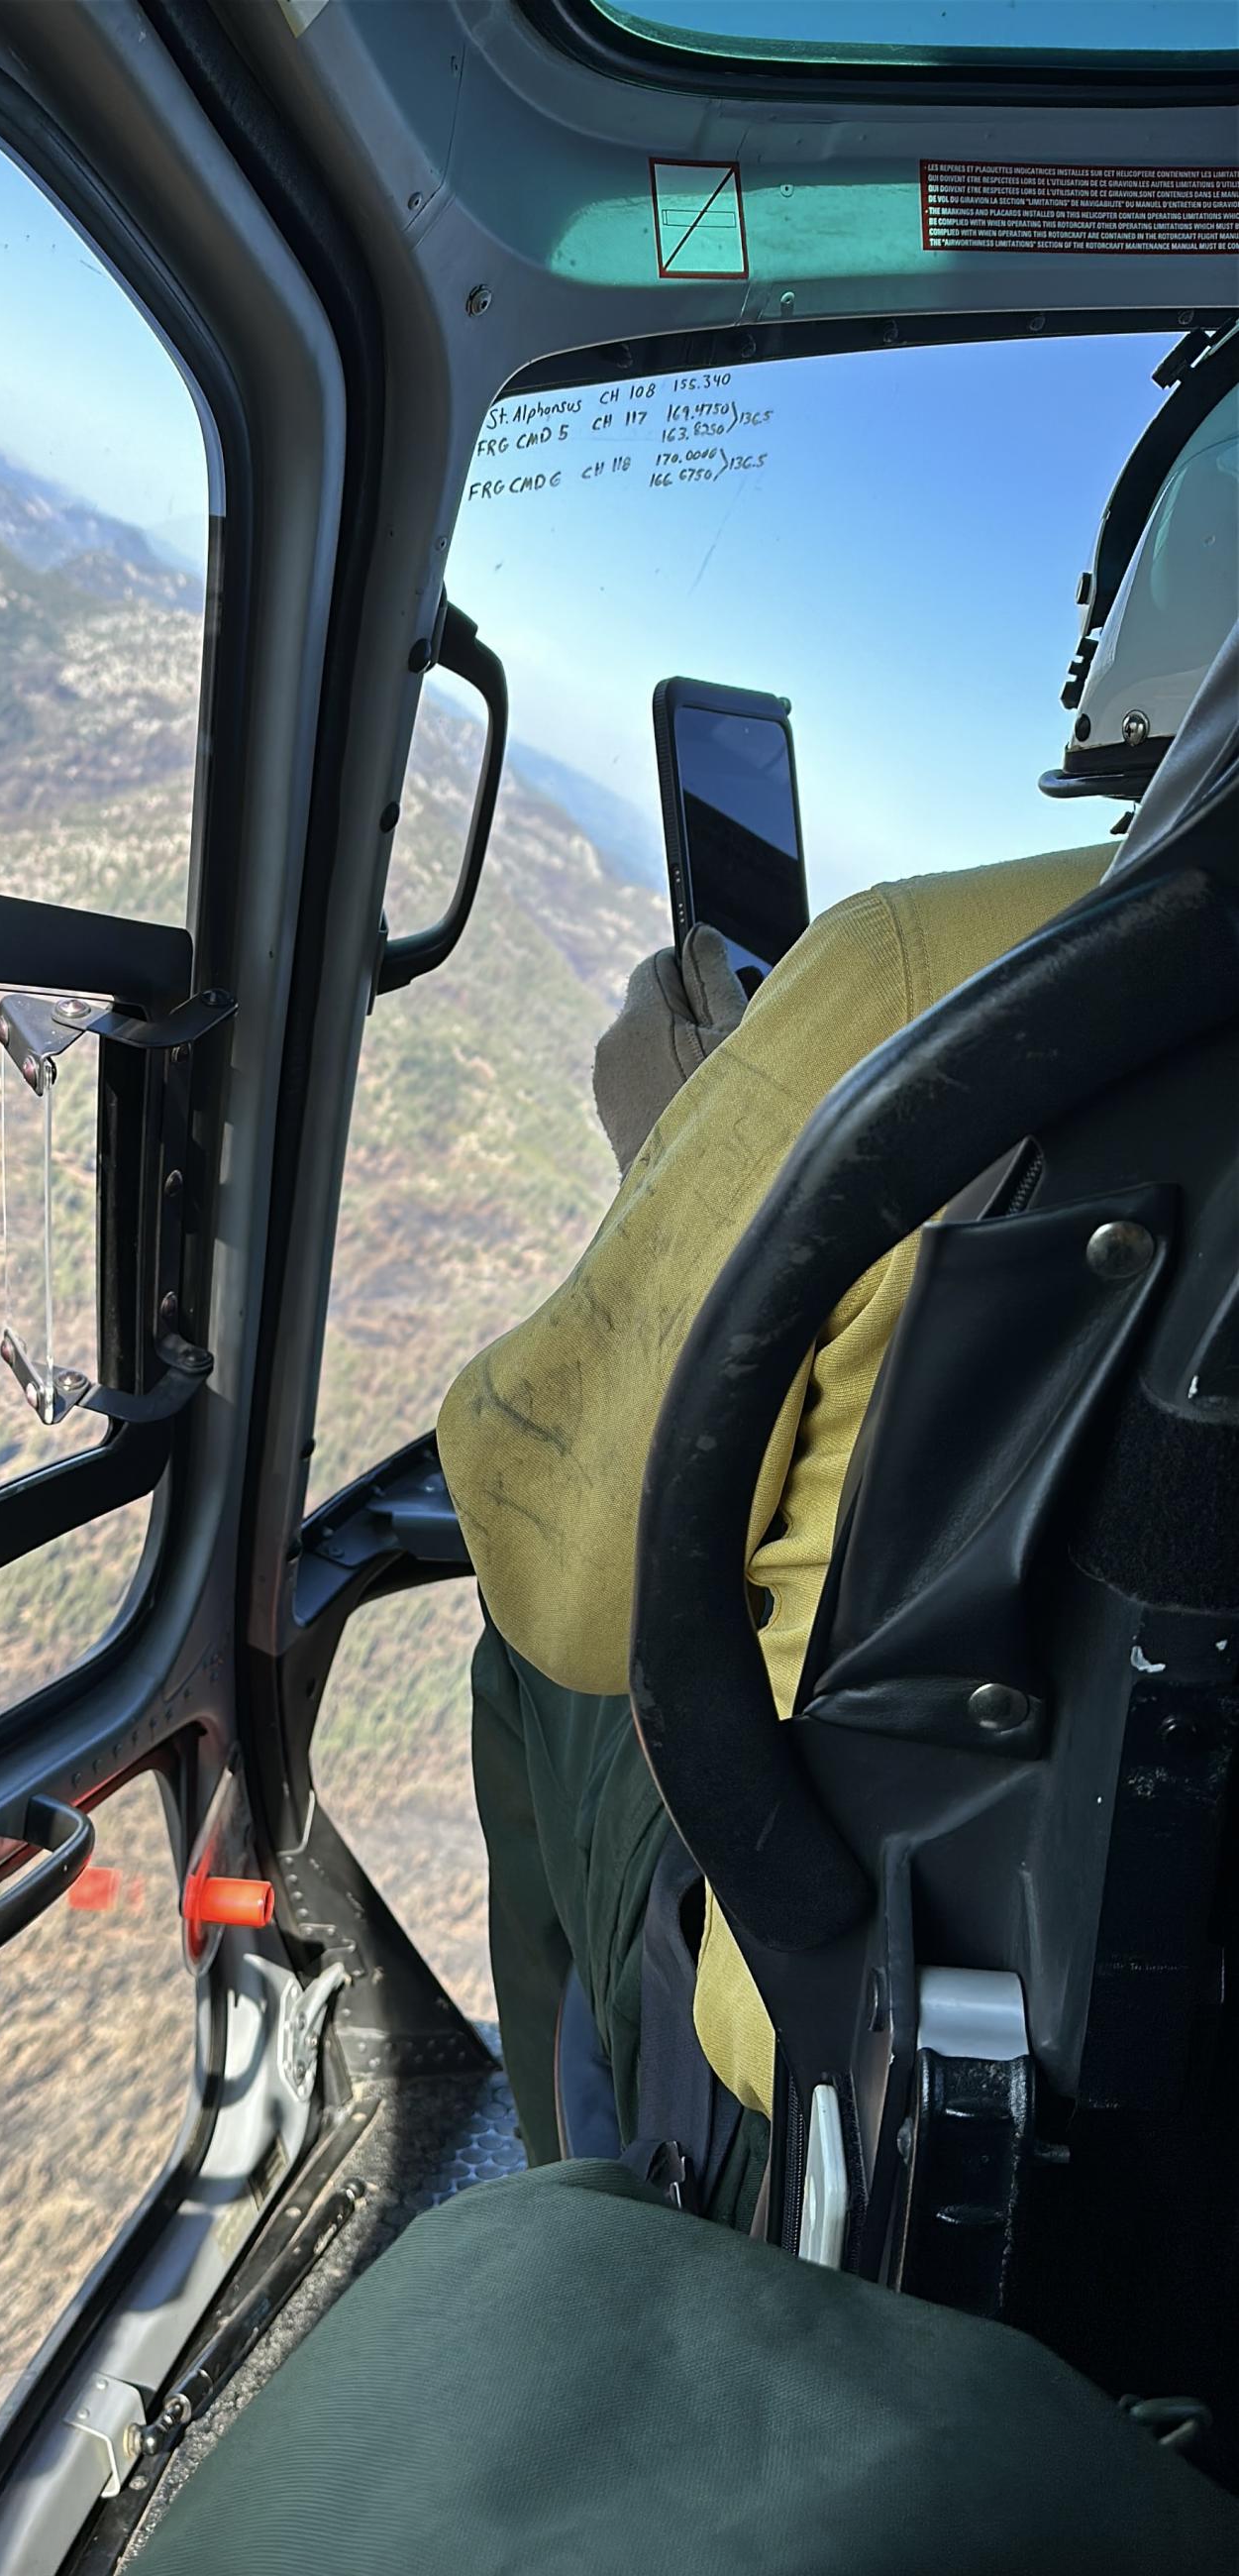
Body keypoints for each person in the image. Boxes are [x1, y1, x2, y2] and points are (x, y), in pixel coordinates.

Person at [436, 360, 1239, 2219]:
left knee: (518, 1657)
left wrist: (680, 1148)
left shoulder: (923, 975)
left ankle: (594, 2212)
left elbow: (559, 1571)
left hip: (869, 2059)